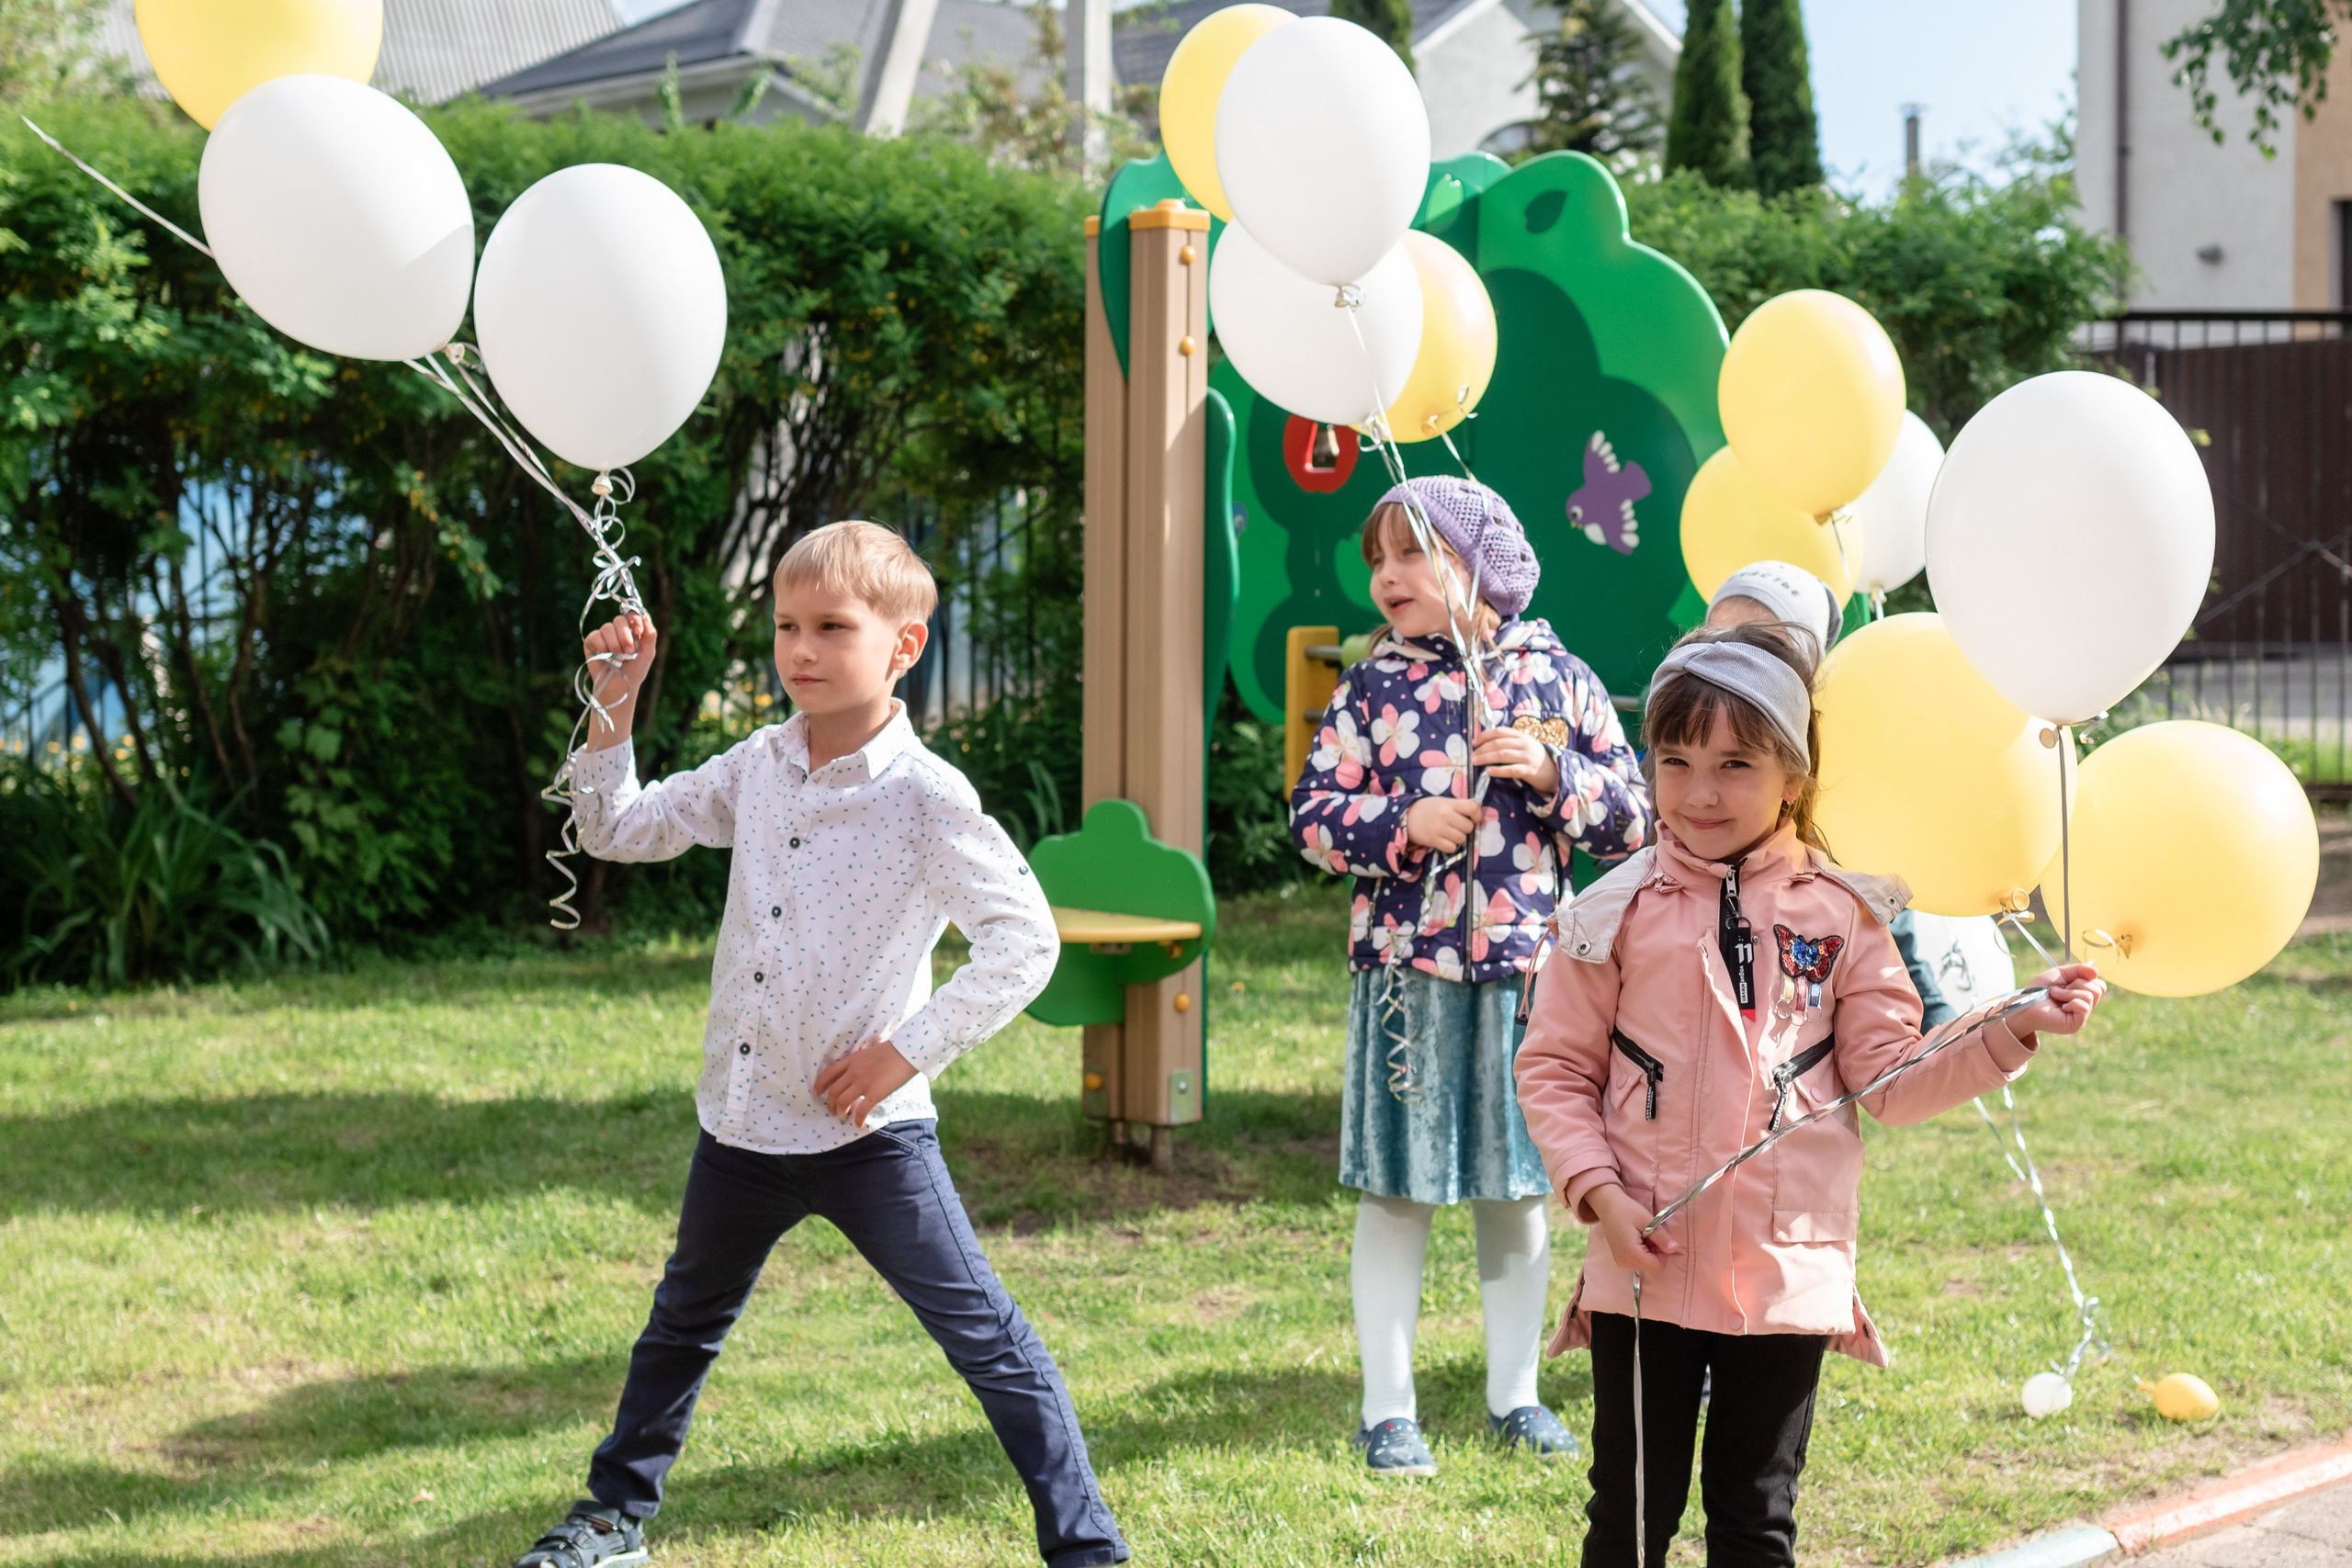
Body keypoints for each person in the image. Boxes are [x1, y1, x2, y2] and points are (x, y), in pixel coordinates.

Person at [511, 523, 1126, 1568]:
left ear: (904, 644)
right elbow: (620, 829)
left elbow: (1026, 942)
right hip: (743, 1128)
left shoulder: (928, 801)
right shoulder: (760, 763)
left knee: (985, 1339)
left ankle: (1087, 1549)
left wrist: (907, 1053)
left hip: (867, 1138)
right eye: (786, 626)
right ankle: (613, 1521)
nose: (800, 649)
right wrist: (612, 704)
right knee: (680, 1328)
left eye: (831, 627)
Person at [1513, 620, 2104, 1566]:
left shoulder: (1844, 913)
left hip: (1785, 1272)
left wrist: (2014, 1023)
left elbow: (1891, 1081)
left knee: (1754, 1518)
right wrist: (1600, 1197)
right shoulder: (1605, 914)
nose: (1701, 791)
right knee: (1628, 1518)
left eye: (1735, 764)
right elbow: (1552, 1069)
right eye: (1674, 761)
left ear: (1794, 775)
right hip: (1639, 1265)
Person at [1290, 476, 1654, 1478]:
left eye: (1411, 555)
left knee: (1519, 1190)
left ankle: (1515, 1395)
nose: (1386, 578)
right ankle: (1387, 1409)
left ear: (1480, 565)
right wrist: (1399, 827)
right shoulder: (1371, 688)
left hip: (1531, 980)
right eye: (1376, 560)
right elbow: (1313, 818)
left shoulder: (1559, 681)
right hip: (1405, 980)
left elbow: (1631, 821)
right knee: (1395, 1195)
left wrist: (1551, 777)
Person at [1702, 566, 1962, 1029]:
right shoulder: (1687, 741)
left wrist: (1960, 1047)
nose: (1729, 661)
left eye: (1758, 645)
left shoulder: (1850, 769)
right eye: (1715, 640)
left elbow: (1893, 957)